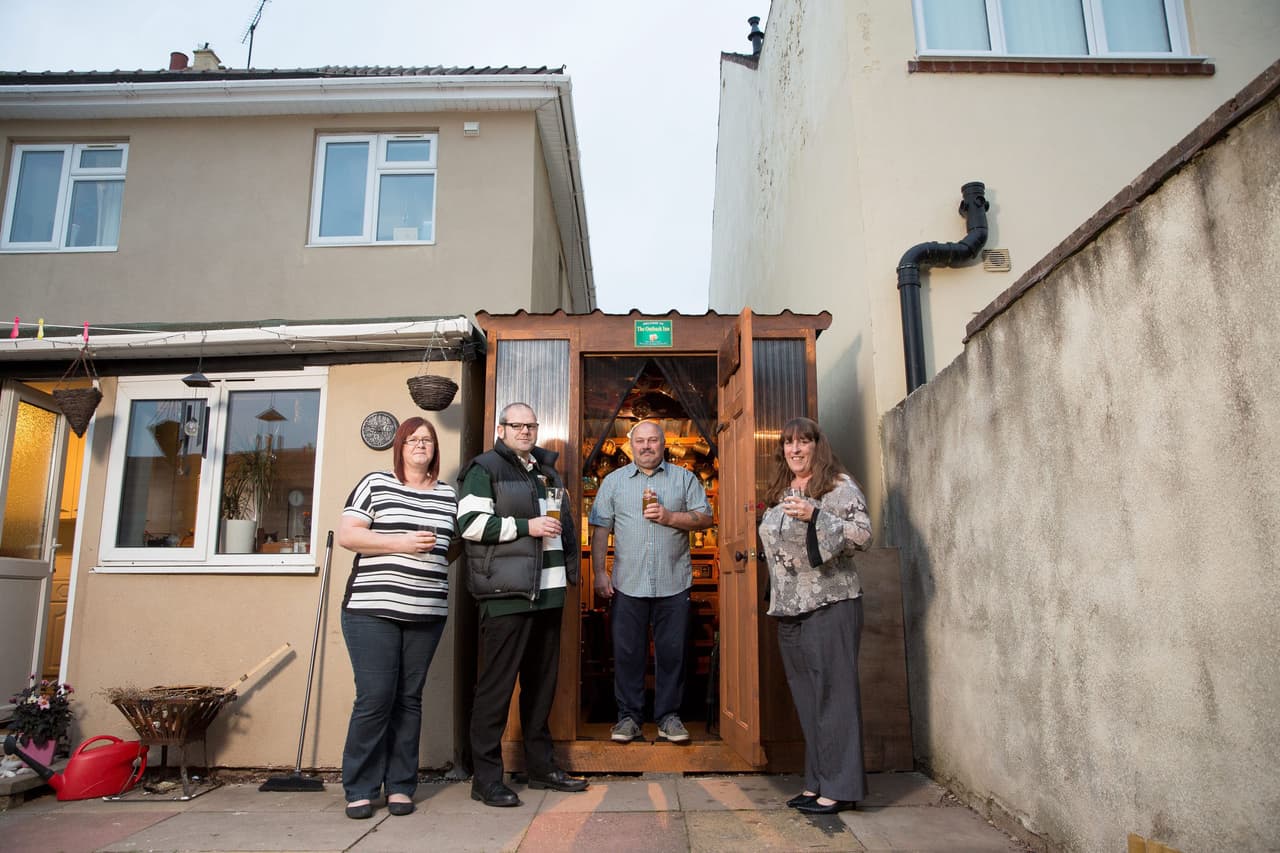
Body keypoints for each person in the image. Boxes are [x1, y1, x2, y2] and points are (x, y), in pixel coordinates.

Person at [457, 402, 589, 807]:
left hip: (548, 595)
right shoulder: (484, 469)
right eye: (518, 426)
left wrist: (570, 574)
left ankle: (540, 768)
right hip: (506, 596)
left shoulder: (546, 473)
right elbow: (471, 525)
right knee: (496, 690)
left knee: (541, 688)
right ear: (502, 429)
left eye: (531, 425)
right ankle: (487, 778)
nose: (526, 432)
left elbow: (563, 526)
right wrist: (526, 526)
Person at [336, 416, 457, 820]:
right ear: (400, 447)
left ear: (435, 449)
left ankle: (401, 785)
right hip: (373, 610)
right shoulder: (376, 484)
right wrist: (401, 543)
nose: (421, 445)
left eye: (427, 440)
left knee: (409, 701)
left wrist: (432, 560)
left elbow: (451, 547)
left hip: (426, 612)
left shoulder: (448, 495)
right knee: (375, 698)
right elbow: (349, 535)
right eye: (413, 440)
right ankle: (361, 787)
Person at [757, 417, 873, 815]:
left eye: (802, 442)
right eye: (788, 443)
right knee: (808, 699)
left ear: (817, 446)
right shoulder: (782, 490)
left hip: (830, 603)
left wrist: (816, 515)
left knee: (833, 697)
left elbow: (863, 535)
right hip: (790, 608)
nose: (794, 450)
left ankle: (841, 788)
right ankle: (818, 781)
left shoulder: (837, 486)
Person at [589, 420, 713, 744]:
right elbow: (600, 528)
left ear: (663, 444)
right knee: (629, 653)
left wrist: (671, 517)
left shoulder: (684, 479)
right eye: (640, 441)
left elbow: (706, 517)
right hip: (628, 583)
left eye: (653, 440)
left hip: (674, 581)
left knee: (673, 654)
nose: (646, 446)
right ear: (632, 445)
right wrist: (599, 572)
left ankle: (669, 717)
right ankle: (629, 718)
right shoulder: (613, 482)